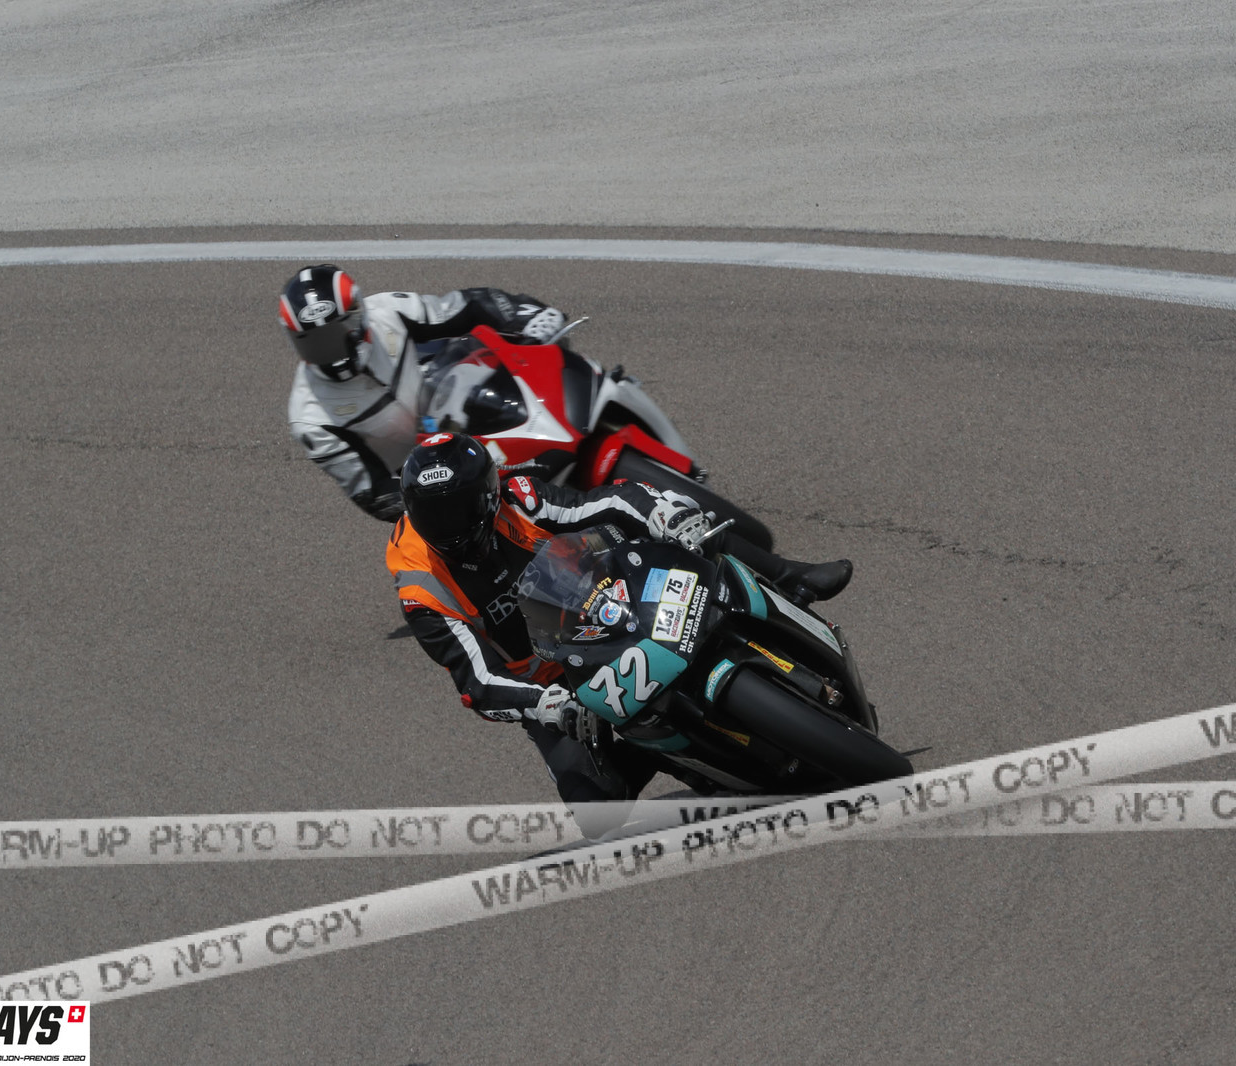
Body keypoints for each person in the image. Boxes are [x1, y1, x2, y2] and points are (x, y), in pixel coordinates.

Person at [386, 431, 853, 811]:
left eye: (458, 509)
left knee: (694, 535)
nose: (448, 525)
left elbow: (604, 502)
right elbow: (478, 681)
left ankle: (788, 578)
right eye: (432, 514)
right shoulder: (420, 589)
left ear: (488, 494)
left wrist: (665, 514)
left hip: (607, 595)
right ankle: (667, 750)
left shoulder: (517, 497)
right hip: (551, 680)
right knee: (597, 811)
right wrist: (545, 705)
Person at [280, 264, 568, 521]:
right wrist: (436, 502)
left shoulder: (388, 310)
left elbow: (464, 306)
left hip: (462, 411)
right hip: (436, 479)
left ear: (358, 314)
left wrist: (524, 314)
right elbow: (374, 491)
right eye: (315, 342)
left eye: (339, 332)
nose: (333, 351)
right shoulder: (311, 419)